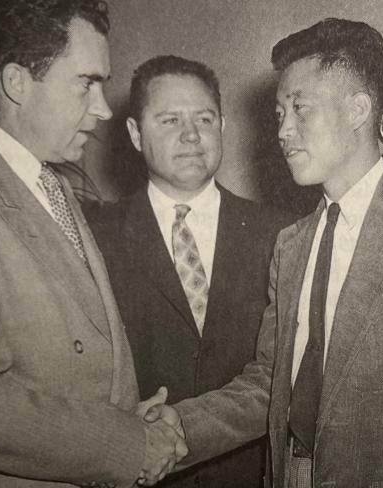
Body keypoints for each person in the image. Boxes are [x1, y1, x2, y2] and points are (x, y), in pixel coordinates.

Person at [151, 18, 383, 488]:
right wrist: (182, 424)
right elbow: (270, 385)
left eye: (300, 109)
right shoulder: (291, 245)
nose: (284, 131)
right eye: (278, 114)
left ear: (357, 109)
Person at [0, 1, 186, 487]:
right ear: (17, 83)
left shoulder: (50, 180)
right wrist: (125, 445)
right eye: (86, 83)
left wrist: (125, 421)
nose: (101, 109)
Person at [85, 55, 293, 488]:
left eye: (204, 117)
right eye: (169, 120)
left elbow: (283, 374)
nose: (191, 135)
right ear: (135, 134)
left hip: (254, 475)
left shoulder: (280, 234)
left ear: (223, 126)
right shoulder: (95, 237)